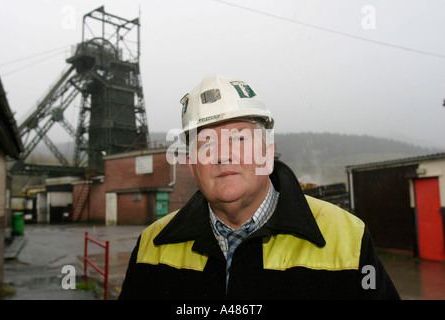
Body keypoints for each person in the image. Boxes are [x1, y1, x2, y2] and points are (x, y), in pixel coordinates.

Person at [119, 74, 400, 299]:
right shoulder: (152, 246)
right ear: (192, 167)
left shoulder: (346, 238)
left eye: (239, 139)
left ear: (267, 154)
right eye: (206, 144)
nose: (222, 154)